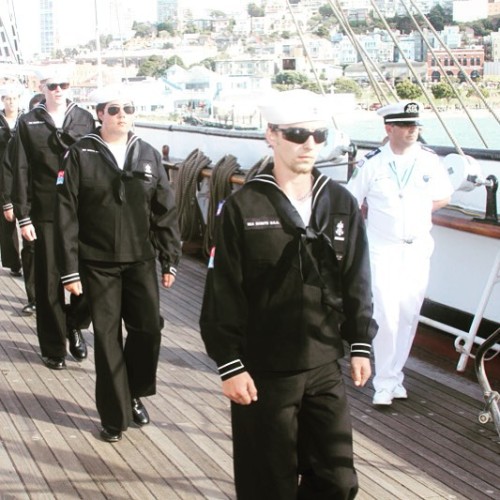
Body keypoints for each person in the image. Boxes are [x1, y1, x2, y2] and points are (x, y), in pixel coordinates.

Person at [200, 89, 377, 499]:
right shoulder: (243, 206)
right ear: (272, 136)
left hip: (323, 363)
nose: (309, 144)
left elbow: (357, 278)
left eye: (318, 134)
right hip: (263, 369)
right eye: (298, 134)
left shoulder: (339, 202)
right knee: (268, 484)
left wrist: (362, 342)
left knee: (337, 479)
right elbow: (222, 290)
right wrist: (229, 364)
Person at [54, 84, 181, 443]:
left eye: (128, 108)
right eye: (113, 109)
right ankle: (113, 415)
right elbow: (66, 213)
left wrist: (170, 258)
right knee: (108, 340)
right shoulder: (80, 153)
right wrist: (70, 269)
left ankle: (134, 392)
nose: (121, 114)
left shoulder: (148, 154)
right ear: (99, 114)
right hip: (97, 263)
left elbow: (165, 210)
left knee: (148, 330)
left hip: (140, 260)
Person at [346, 101, 453, 406]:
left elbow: (443, 195)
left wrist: (418, 210)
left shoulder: (430, 161)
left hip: (417, 248)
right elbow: (352, 199)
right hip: (383, 248)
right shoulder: (373, 163)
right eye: (406, 126)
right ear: (389, 128)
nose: (412, 131)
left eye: (416, 126)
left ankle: (395, 376)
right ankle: (383, 383)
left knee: (407, 314)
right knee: (385, 314)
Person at [11, 68, 95, 369]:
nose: (59, 90)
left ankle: (74, 323)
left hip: (83, 210)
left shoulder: (85, 119)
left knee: (91, 279)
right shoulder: (28, 122)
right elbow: (20, 168)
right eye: (52, 85)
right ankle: (53, 348)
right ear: (42, 87)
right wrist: (23, 215)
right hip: (44, 212)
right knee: (48, 285)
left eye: (64, 85)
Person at [1, 92, 45, 316]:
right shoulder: (19, 138)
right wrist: (8, 201)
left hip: (55, 205)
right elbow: (9, 170)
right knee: (31, 249)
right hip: (27, 202)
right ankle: (34, 298)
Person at [0, 84, 22, 278]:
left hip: (22, 173)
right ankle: (13, 262)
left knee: (25, 216)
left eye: (14, 98)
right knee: (6, 221)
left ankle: (31, 258)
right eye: (7, 98)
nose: (11, 101)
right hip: (1, 172)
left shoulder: (25, 121)